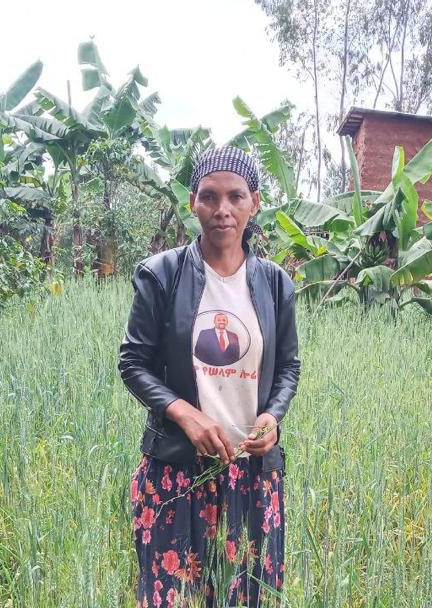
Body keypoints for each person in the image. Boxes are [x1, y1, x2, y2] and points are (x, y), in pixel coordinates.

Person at [118, 145, 301, 607]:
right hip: (176, 471)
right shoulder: (160, 275)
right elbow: (133, 362)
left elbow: (288, 368)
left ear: (254, 203)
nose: (223, 210)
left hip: (252, 475)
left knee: (247, 599)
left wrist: (272, 418)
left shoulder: (276, 284)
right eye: (210, 196)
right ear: (193, 203)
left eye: (236, 197)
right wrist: (185, 415)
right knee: (170, 599)